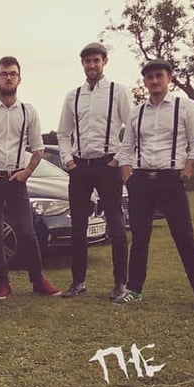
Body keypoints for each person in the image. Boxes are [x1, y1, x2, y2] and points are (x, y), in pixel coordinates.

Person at [113, 59, 194, 312]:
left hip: (171, 178)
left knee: (184, 236)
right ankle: (134, 289)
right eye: (149, 77)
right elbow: (126, 148)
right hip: (141, 180)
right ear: (145, 82)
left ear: (169, 78)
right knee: (139, 238)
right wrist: (128, 178)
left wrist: (186, 173)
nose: (154, 81)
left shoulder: (185, 107)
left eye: (159, 76)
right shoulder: (136, 112)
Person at [0, 56, 62, 300]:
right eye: (4, 74)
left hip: (17, 180)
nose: (8, 78)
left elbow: (38, 149)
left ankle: (38, 279)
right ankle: (3, 283)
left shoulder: (28, 112)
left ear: (20, 78)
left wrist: (26, 172)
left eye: (13, 74)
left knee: (28, 232)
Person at [56, 42, 132, 299]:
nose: (92, 65)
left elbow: (131, 128)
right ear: (82, 64)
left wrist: (118, 159)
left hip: (108, 165)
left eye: (96, 60)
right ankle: (78, 282)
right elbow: (63, 133)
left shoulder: (118, 91)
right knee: (78, 226)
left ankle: (120, 283)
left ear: (104, 62)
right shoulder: (73, 96)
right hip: (80, 166)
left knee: (116, 224)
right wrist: (68, 160)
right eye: (87, 61)